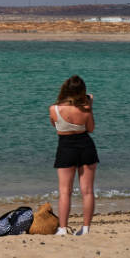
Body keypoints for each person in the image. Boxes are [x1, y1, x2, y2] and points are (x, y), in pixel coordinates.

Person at [49, 75, 98, 235]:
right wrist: (89, 105)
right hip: (85, 146)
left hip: (65, 147)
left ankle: (62, 228)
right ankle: (86, 228)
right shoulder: (85, 108)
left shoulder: (54, 109)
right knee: (88, 191)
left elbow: (56, 126)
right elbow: (90, 129)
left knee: (64, 191)